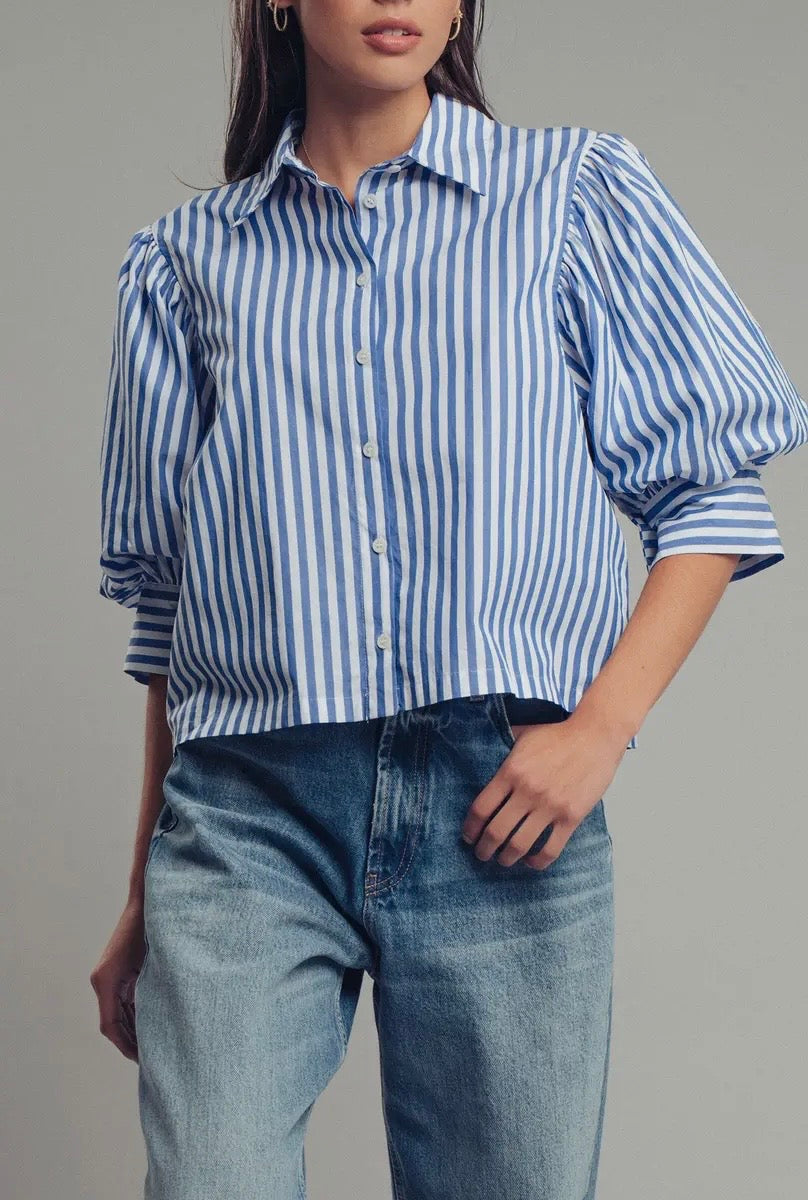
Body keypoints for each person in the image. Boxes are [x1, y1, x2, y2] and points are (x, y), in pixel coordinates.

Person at [89, 3, 808, 1197]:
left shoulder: (572, 194)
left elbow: (709, 499)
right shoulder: (183, 262)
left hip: (502, 805)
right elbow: (169, 606)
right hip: (247, 816)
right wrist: (140, 896)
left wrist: (599, 730)